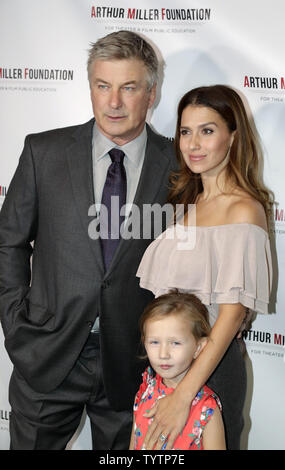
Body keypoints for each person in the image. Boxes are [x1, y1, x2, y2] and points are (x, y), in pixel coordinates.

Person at [0, 30, 176, 450]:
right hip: (47, 353)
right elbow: (8, 242)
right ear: (91, 88)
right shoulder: (44, 152)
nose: (113, 102)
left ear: (150, 94)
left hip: (134, 361)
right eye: (103, 86)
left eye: (128, 88)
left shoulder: (178, 164)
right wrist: (15, 322)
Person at [137, 84, 273, 450]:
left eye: (207, 130)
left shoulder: (244, 210)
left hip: (209, 373)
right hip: (166, 370)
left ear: (233, 136)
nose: (193, 143)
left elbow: (230, 317)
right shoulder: (188, 203)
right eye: (185, 131)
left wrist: (183, 396)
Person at [129, 291, 226, 450]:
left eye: (175, 343)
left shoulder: (207, 409)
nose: (163, 354)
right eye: (154, 342)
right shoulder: (145, 392)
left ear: (198, 347)